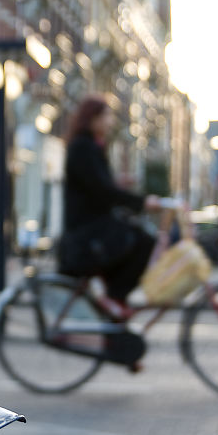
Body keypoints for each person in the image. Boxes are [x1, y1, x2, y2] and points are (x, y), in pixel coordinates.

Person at [57, 94, 160, 320]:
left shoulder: (89, 146)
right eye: (106, 116)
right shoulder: (83, 148)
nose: (110, 122)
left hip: (92, 225)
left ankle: (113, 302)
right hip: (86, 231)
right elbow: (101, 191)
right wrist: (142, 202)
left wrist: (116, 182)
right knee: (145, 242)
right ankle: (114, 299)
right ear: (92, 119)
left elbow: (96, 185)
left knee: (137, 239)